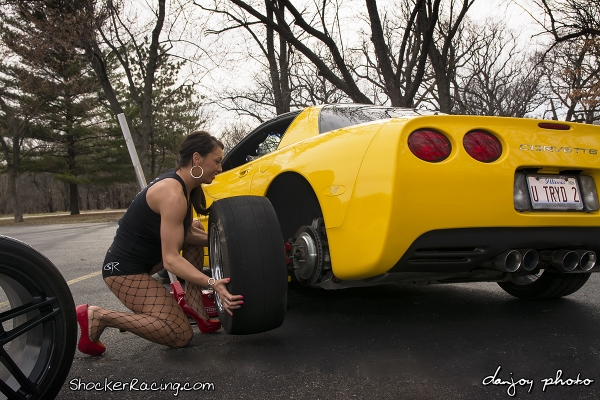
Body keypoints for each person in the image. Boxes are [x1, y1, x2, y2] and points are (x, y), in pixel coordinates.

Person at [76, 131, 243, 356]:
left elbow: (185, 235)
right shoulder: (173, 194)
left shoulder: (184, 186)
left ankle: (195, 307)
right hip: (124, 272)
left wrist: (233, 242)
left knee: (196, 226)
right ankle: (100, 316)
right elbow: (171, 260)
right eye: (217, 161)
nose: (219, 168)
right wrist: (212, 282)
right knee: (180, 335)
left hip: (144, 265)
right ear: (197, 159)